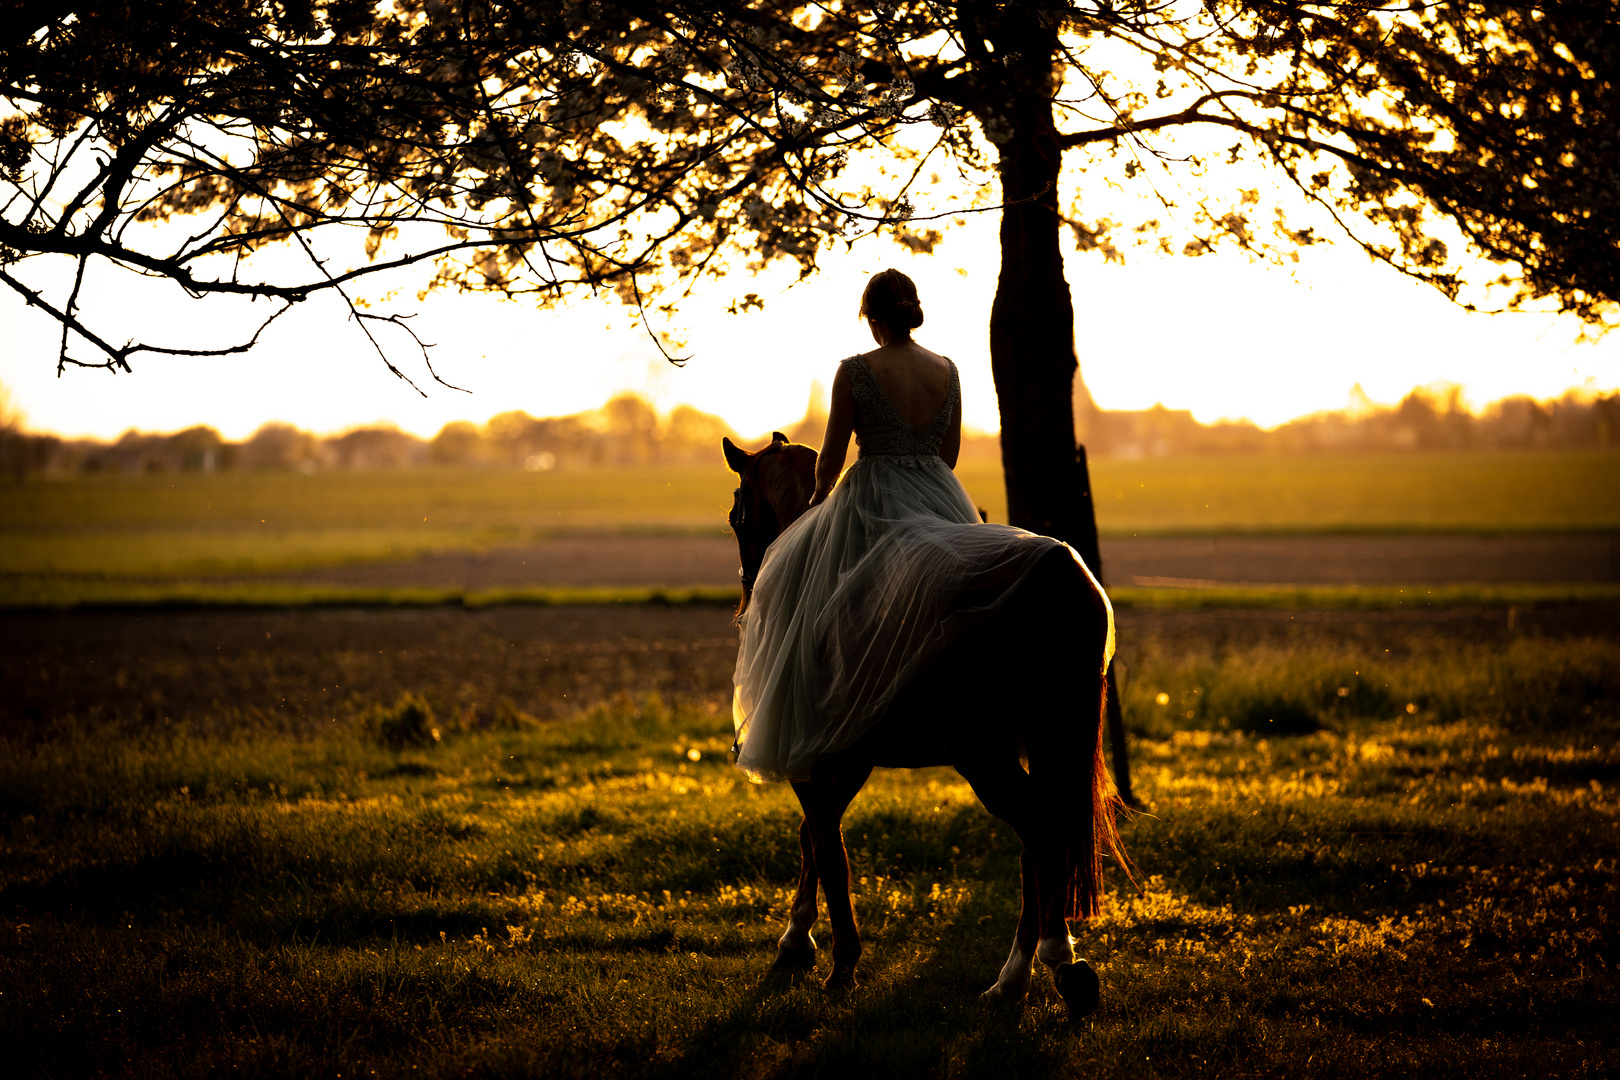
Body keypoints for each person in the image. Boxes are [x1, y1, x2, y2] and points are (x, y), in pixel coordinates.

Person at [731, 269, 1073, 783]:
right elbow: (949, 454)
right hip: (939, 492)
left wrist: (820, 503)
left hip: (872, 493)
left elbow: (828, 464)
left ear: (871, 319)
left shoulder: (853, 370)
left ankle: (830, 709)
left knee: (805, 591)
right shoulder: (948, 370)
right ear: (911, 311)